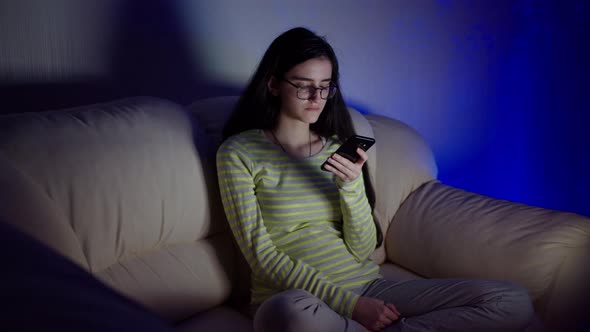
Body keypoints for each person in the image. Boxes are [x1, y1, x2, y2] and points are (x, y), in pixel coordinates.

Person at [216, 27, 534, 332]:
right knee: (287, 315)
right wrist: (351, 306)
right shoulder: (239, 152)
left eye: (325, 86)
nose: (317, 96)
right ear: (273, 84)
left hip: (370, 287)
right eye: (303, 85)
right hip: (298, 300)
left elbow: (363, 249)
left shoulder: (340, 147)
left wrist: (351, 187)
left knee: (512, 301)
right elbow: (262, 256)